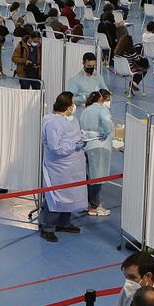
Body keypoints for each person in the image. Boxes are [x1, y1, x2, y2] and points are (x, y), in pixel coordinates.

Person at [40, 91, 87, 242]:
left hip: (73, 167)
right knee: (56, 197)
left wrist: (83, 138)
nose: (75, 105)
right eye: (73, 103)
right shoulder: (53, 123)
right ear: (67, 107)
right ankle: (48, 227)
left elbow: (73, 136)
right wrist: (74, 146)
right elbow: (55, 147)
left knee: (71, 195)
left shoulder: (70, 119)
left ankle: (64, 223)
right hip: (59, 167)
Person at [80, 89, 115, 216]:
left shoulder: (86, 110)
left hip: (87, 146)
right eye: (107, 99)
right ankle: (94, 206)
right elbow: (107, 125)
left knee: (89, 176)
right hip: (99, 146)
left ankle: (87, 202)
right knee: (97, 177)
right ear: (101, 99)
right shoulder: (102, 110)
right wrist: (107, 133)